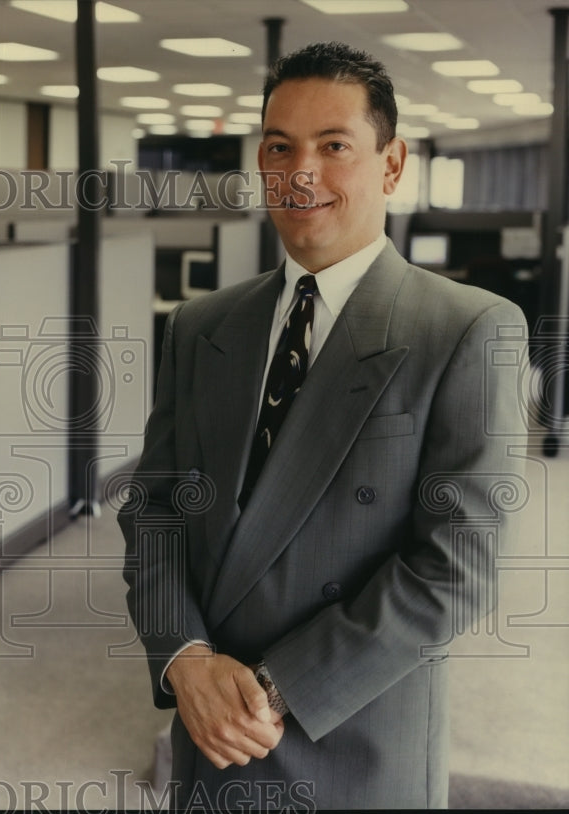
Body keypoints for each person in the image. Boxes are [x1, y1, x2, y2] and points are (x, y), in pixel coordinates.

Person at [117, 41, 527, 810]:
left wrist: (270, 691)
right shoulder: (202, 325)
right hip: (211, 735)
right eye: (280, 148)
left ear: (392, 165)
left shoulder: (468, 329)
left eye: (333, 146)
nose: (300, 173)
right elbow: (155, 510)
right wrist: (186, 658)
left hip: (349, 733)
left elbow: (455, 569)